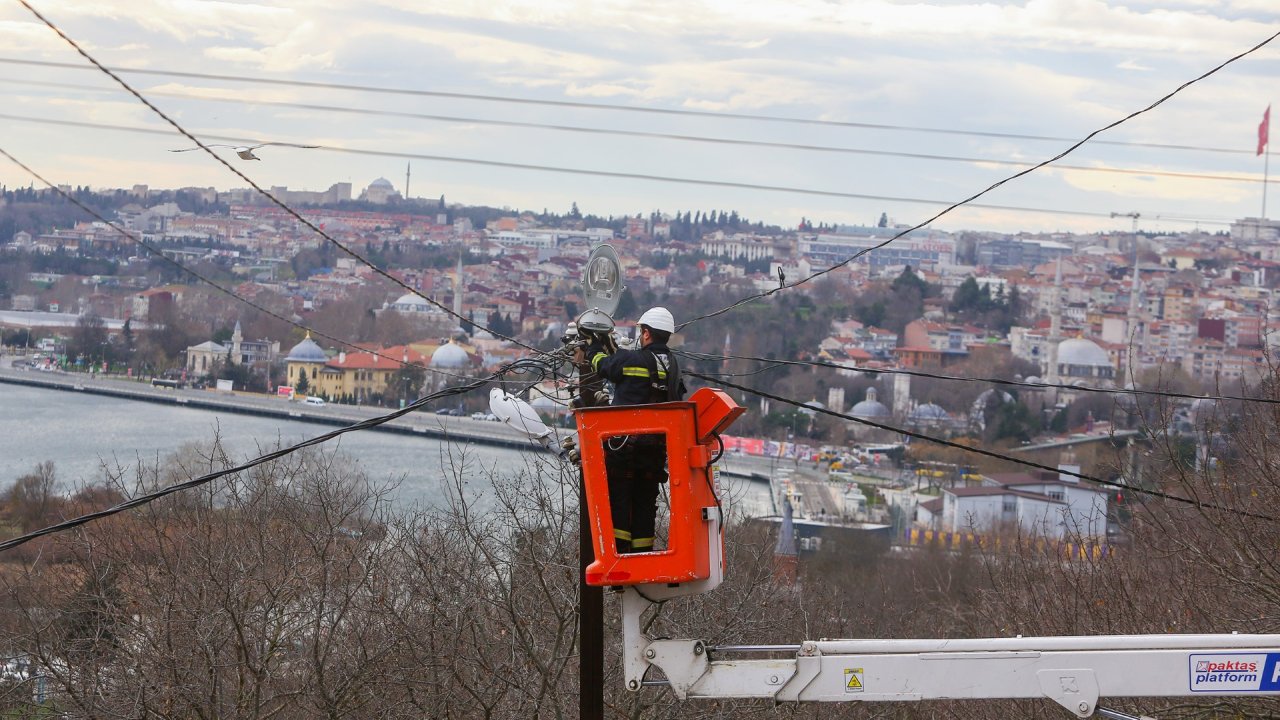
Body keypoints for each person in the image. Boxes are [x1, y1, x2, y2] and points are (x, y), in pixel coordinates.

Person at [575, 307, 686, 553]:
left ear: (646, 334)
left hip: (624, 448)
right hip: (655, 453)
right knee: (645, 505)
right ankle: (642, 555)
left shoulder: (632, 360)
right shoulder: (674, 368)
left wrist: (593, 347)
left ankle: (619, 554)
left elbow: (603, 366)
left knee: (619, 502)